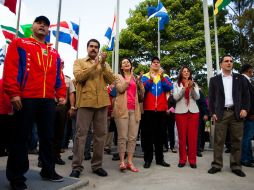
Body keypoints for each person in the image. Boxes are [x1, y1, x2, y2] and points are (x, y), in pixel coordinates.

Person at [3, 16, 66, 190]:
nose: (42, 26)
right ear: (32, 27)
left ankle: (48, 169)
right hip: (25, 98)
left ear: (48, 30)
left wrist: (61, 94)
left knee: (47, 137)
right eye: (39, 23)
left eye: (45, 25)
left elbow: (58, 76)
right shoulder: (19, 43)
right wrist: (14, 93)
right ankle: (16, 177)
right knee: (21, 138)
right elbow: (10, 68)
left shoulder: (54, 53)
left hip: (47, 100)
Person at [70, 39, 115, 178]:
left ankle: (97, 166)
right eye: (91, 46)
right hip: (85, 102)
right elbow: (79, 77)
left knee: (100, 135)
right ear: (87, 47)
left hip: (101, 103)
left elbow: (111, 79)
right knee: (80, 135)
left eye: (96, 47)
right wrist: (95, 65)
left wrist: (102, 64)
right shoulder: (79, 62)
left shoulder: (104, 64)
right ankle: (77, 166)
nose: (94, 49)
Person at [208, 55, 250, 177]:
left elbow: (246, 96)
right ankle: (216, 164)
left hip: (237, 113)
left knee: (237, 140)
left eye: (231, 61)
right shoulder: (214, 80)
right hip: (221, 113)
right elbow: (211, 98)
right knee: (218, 141)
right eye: (226, 61)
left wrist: (245, 109)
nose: (229, 63)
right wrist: (212, 112)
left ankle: (236, 166)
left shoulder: (240, 78)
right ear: (221, 64)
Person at [141, 56, 173, 169]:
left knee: (160, 136)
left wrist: (161, 76)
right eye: (153, 62)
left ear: (160, 65)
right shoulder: (145, 76)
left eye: (157, 62)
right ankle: (148, 160)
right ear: (150, 65)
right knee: (148, 136)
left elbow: (169, 87)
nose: (156, 64)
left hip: (161, 110)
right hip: (148, 110)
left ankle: (160, 159)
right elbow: (143, 89)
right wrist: (151, 78)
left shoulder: (165, 76)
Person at [113, 58, 144, 172]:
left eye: (128, 62)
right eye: (124, 63)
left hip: (134, 110)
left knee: (132, 137)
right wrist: (129, 78)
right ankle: (122, 161)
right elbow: (121, 89)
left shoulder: (135, 77)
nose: (126, 64)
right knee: (122, 137)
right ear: (121, 67)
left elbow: (142, 93)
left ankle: (130, 161)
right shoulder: (118, 77)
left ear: (131, 65)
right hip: (122, 110)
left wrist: (139, 82)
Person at [173, 66, 200, 168]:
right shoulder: (176, 84)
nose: (186, 72)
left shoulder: (194, 84)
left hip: (193, 112)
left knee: (192, 137)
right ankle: (182, 159)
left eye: (188, 71)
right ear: (181, 73)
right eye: (184, 71)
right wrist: (184, 88)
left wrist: (192, 87)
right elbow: (175, 97)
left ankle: (192, 160)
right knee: (182, 137)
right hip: (180, 112)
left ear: (190, 73)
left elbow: (197, 97)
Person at [240, 64, 254, 167]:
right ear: (248, 70)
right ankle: (245, 159)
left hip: (248, 114)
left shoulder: (245, 80)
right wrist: (251, 113)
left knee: (247, 137)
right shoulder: (243, 80)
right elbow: (247, 99)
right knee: (247, 137)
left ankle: (249, 157)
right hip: (248, 114)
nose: (252, 73)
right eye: (251, 71)